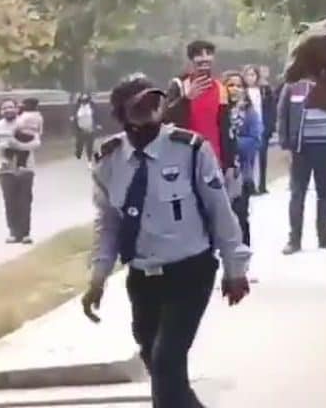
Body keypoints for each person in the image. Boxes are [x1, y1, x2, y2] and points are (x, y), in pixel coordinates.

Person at [81, 74, 250, 408]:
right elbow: (108, 224)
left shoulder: (190, 149)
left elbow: (220, 211)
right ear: (121, 114)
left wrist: (235, 268)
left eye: (154, 102)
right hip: (142, 278)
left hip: (190, 271)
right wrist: (98, 278)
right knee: (160, 366)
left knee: (166, 361)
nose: (150, 110)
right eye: (139, 106)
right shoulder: (108, 160)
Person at [277, 78, 326, 254]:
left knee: (324, 193)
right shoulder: (294, 86)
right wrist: (285, 143)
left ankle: (325, 238)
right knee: (297, 193)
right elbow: (283, 113)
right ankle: (294, 240)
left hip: (325, 145)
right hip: (301, 148)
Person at [163, 40, 233, 173]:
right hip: (185, 156)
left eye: (208, 54)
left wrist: (229, 163)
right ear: (191, 59)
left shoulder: (220, 88)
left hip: (213, 158)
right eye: (199, 55)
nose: (205, 58)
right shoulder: (179, 84)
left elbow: (225, 127)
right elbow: (166, 117)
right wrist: (187, 98)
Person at [0, 98, 40, 244]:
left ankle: (25, 233)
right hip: (5, 169)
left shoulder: (27, 125)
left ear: (17, 109)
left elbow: (36, 143)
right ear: (0, 111)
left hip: (26, 168)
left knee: (25, 201)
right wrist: (4, 145)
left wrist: (17, 145)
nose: (8, 110)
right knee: (10, 202)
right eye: (5, 108)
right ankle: (14, 233)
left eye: (11, 107)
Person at [223, 70, 262, 246]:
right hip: (219, 173)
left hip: (241, 173)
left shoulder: (250, 113)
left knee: (240, 217)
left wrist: (231, 143)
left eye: (239, 86)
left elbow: (255, 140)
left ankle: (242, 255)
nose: (235, 89)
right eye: (230, 85)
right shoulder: (219, 112)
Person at [242, 65, 275, 195]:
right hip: (248, 130)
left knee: (261, 158)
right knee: (248, 158)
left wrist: (269, 127)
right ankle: (249, 185)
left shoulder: (264, 91)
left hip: (262, 127)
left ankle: (261, 185)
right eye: (248, 75)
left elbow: (271, 109)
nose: (251, 78)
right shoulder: (242, 91)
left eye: (253, 74)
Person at [10, 97, 43, 171]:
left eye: (25, 105)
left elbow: (17, 125)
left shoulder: (26, 115)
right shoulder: (38, 116)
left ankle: (20, 166)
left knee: (22, 153)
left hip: (24, 137)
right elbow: (40, 131)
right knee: (26, 155)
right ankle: (22, 167)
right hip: (32, 138)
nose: (23, 106)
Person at [72, 93, 99, 162]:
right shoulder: (78, 108)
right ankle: (78, 153)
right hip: (81, 128)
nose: (84, 102)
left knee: (90, 144)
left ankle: (90, 157)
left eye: (85, 100)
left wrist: (97, 125)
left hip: (90, 128)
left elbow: (96, 116)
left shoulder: (91, 107)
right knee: (79, 143)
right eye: (82, 100)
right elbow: (74, 116)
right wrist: (73, 119)